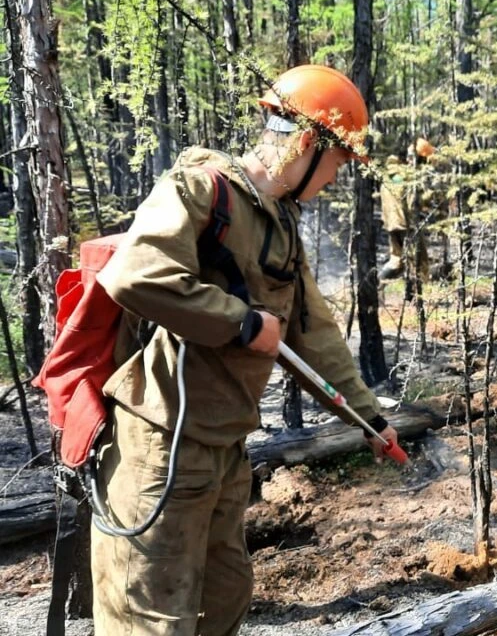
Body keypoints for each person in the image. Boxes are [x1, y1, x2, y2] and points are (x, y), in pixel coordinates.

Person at [90, 64, 399, 635]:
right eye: (337, 162)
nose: (335, 177)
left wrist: (368, 417)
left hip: (227, 450)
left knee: (223, 602)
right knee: (153, 620)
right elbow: (136, 276)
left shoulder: (281, 221)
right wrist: (239, 323)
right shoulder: (200, 189)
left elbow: (314, 333)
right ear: (307, 142)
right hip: (161, 446)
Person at [378, 137, 435, 282]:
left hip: (391, 223)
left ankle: (377, 284)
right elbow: (412, 203)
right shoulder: (408, 177)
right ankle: (422, 294)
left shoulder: (392, 173)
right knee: (419, 261)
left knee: (397, 259)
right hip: (405, 223)